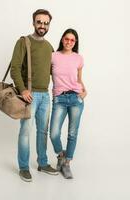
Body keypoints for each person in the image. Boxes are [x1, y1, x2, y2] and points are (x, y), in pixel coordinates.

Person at [10, 9, 58, 182]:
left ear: (49, 25)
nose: (42, 26)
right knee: (25, 132)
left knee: (42, 132)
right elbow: (15, 68)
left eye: (46, 23)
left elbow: (56, 72)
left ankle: (42, 163)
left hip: (45, 96)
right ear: (33, 22)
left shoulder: (49, 47)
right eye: (39, 22)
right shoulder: (24, 42)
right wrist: (23, 90)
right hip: (29, 96)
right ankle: (23, 167)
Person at [50, 28, 87, 179]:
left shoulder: (79, 58)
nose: (69, 42)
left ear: (75, 42)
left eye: (72, 40)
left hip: (76, 99)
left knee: (72, 133)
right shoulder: (53, 56)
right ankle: (61, 155)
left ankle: (66, 164)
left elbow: (78, 80)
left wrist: (84, 91)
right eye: (66, 39)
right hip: (59, 98)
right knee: (54, 133)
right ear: (62, 39)